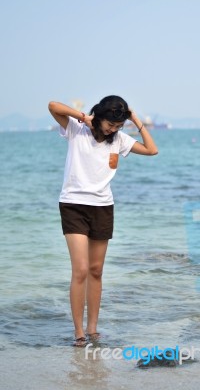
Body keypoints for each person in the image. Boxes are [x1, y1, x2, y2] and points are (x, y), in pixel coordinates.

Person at [48, 96, 158, 346]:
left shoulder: (119, 139)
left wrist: (135, 119)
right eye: (111, 124)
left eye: (118, 126)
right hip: (73, 205)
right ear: (99, 116)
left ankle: (93, 328)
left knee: (96, 271)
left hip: (103, 207)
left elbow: (152, 150)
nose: (113, 129)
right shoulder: (76, 130)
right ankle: (78, 332)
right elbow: (53, 106)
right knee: (81, 269)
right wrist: (83, 118)